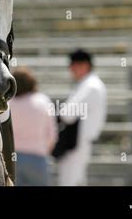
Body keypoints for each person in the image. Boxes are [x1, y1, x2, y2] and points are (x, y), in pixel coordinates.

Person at [56, 49, 107, 186]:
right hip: (80, 141)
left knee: (69, 181)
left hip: (77, 142)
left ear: (84, 65)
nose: (71, 69)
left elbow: (67, 115)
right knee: (76, 180)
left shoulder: (90, 86)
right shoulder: (91, 84)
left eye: (73, 65)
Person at [10, 67, 57, 186]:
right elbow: (52, 136)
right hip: (38, 158)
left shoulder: (8, 104)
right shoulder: (43, 101)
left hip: (13, 159)